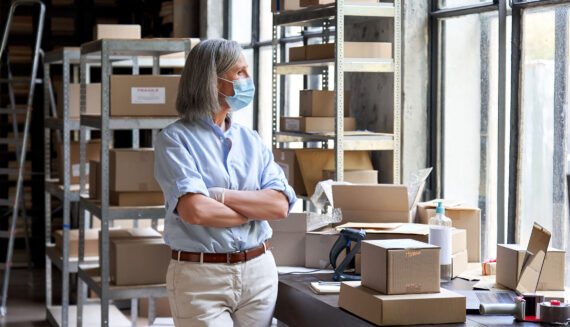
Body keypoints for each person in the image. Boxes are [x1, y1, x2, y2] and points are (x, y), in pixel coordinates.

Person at [154, 39, 296, 327]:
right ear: (211, 80)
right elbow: (196, 212)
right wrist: (254, 209)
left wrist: (218, 195)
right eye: (239, 73)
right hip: (201, 277)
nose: (248, 80)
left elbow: (280, 206)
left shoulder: (251, 140)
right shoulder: (174, 140)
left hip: (259, 271)